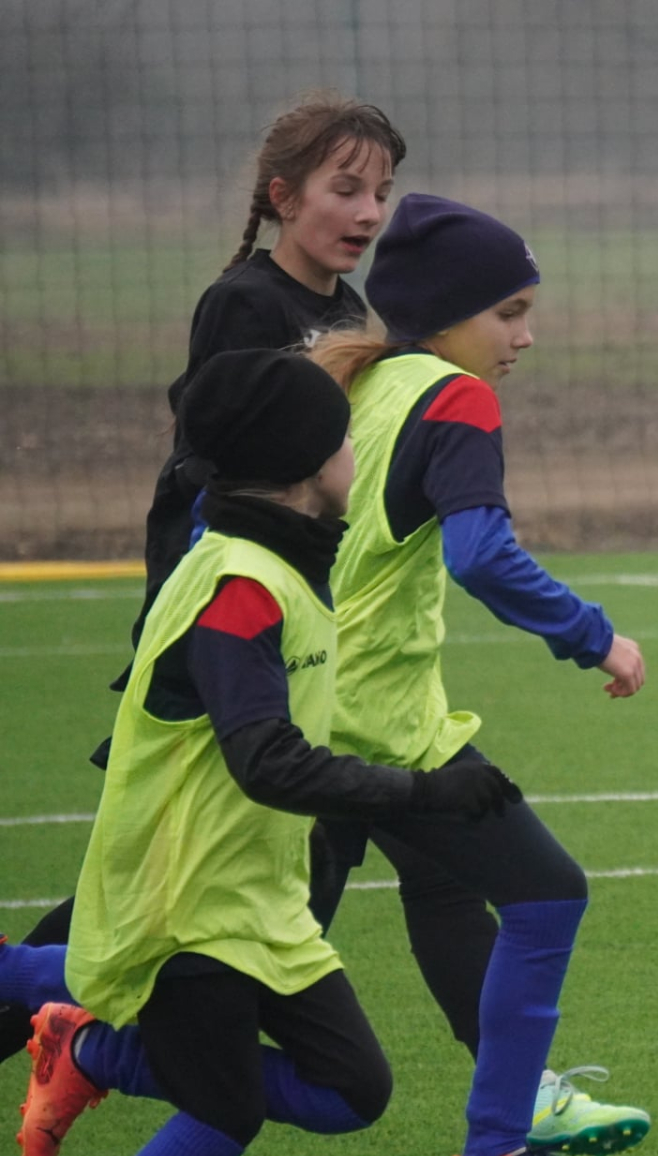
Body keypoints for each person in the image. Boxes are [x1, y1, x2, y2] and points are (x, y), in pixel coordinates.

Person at [18, 349, 544, 1156]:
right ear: (309, 464)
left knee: (353, 1092)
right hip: (185, 897)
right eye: (346, 439)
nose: (357, 454)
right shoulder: (241, 586)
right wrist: (424, 793)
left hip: (254, 895)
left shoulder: (285, 559)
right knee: (223, 1111)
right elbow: (264, 760)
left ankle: (87, 1042)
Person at [0, 89, 406, 1056]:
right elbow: (213, 469)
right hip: (224, 612)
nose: (368, 213)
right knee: (156, 885)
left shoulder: (348, 311)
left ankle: (140, 1048)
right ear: (282, 197)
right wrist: (209, 611)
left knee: (280, 854)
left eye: (382, 193)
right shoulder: (245, 304)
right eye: (345, 189)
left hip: (292, 613)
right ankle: (88, 1031)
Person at [307, 192, 649, 1156]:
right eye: (510, 313)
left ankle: (506, 1137)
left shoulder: (359, 384)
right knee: (547, 895)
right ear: (449, 316)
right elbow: (482, 556)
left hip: (302, 710)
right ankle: (497, 1153)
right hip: (375, 730)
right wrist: (594, 634)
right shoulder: (453, 398)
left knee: (258, 947)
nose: (524, 337)